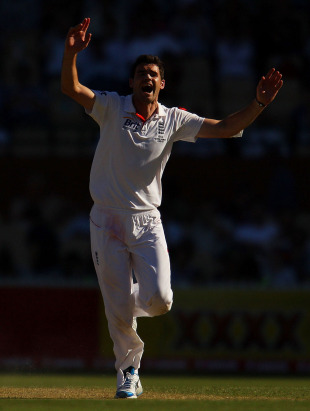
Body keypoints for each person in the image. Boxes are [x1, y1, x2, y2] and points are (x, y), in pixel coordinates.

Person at [61, 18, 283, 399]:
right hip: (107, 219)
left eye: (154, 74)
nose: (147, 77)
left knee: (161, 301)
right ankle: (128, 371)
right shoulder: (112, 107)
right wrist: (71, 53)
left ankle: (119, 300)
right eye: (141, 73)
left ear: (163, 84)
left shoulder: (174, 119)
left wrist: (259, 102)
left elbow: (228, 127)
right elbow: (72, 87)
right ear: (131, 82)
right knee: (117, 310)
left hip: (147, 220)